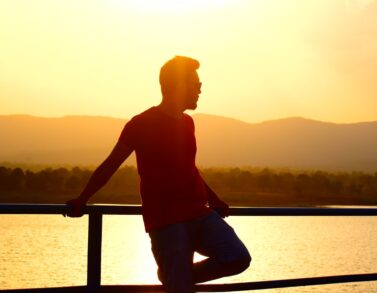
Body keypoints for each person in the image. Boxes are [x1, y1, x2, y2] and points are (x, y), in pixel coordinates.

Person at [66, 56, 251, 293]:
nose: (200, 89)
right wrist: (83, 199)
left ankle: (174, 276)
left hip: (199, 214)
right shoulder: (141, 124)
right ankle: (177, 279)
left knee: (237, 257)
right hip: (167, 222)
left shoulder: (188, 123)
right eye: (195, 84)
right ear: (177, 85)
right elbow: (111, 164)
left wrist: (213, 198)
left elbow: (189, 167)